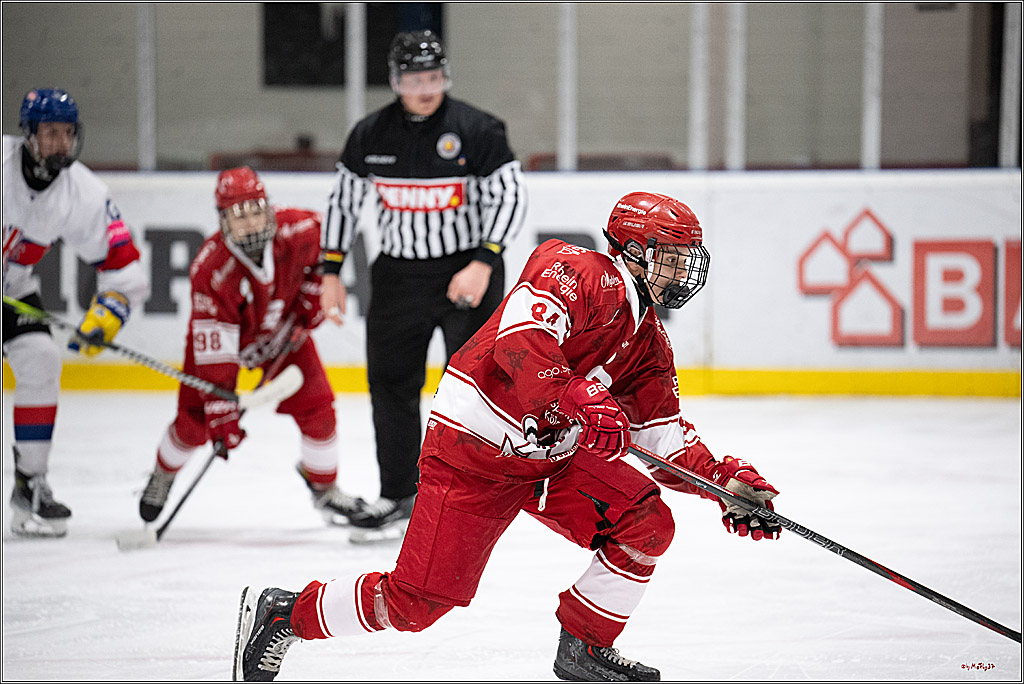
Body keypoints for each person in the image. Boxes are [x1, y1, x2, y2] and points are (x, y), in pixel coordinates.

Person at [234, 191, 782, 682]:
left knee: (645, 521)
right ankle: (287, 614)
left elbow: (665, 439)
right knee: (416, 604)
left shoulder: (649, 343)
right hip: (474, 450)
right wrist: (571, 395)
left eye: (687, 258)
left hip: (547, 461)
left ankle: (585, 646)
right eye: (671, 256)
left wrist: (727, 485)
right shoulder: (576, 269)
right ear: (635, 250)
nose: (683, 271)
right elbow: (520, 339)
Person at [319, 29, 527, 543]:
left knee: (478, 388)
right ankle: (400, 494)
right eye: (415, 78)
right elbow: (344, 202)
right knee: (391, 385)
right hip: (398, 277)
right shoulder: (371, 134)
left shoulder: (478, 130)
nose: (425, 87)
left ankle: (480, 491)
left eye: (434, 76)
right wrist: (330, 271)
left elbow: (510, 198)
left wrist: (484, 260)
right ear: (395, 82)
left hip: (467, 273)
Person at [136, 167, 364, 528]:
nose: (252, 224)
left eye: (256, 211)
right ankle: (163, 473)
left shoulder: (299, 229)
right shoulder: (211, 269)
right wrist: (220, 404)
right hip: (225, 346)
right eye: (239, 216)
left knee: (318, 407)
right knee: (195, 424)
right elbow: (216, 348)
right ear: (223, 221)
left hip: (285, 333)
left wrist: (311, 297)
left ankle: (325, 489)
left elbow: (333, 244)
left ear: (269, 210)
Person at [2, 88, 149, 538]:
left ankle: (31, 485)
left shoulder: (82, 191)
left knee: (41, 361)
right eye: (50, 133)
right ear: (28, 135)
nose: (61, 143)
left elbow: (126, 270)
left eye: (68, 133)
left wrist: (106, 315)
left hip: (13, 290)